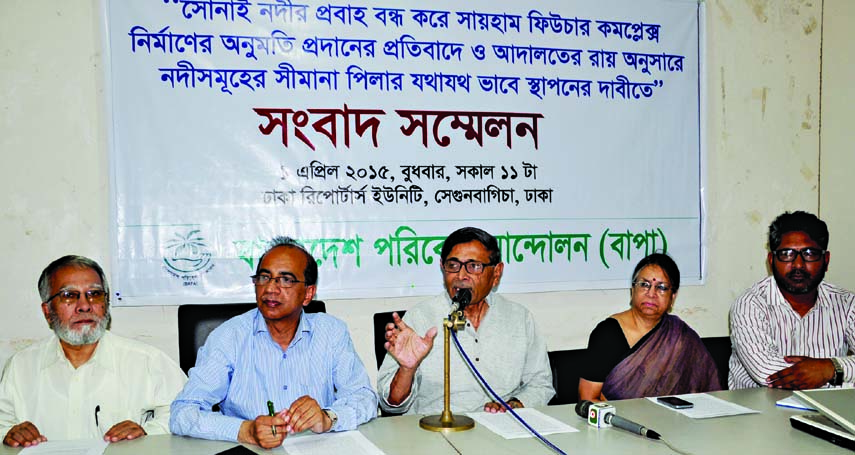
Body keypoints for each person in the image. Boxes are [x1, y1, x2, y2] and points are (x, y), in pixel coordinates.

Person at [170, 237, 377, 449]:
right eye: (264, 277)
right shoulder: (229, 337)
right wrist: (245, 430)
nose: (270, 288)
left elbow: (363, 397)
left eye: (285, 280)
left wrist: (328, 417)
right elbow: (183, 413)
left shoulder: (331, 332)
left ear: (308, 294)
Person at [0, 255, 187, 448]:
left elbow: (188, 415)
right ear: (47, 311)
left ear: (106, 304)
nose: (84, 306)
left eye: (94, 294)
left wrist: (147, 433)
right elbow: (2, 424)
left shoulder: (147, 361)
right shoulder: (21, 366)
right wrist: (9, 434)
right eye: (69, 296)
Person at [378, 227, 554, 415]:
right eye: (453, 266)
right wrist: (407, 369)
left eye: (474, 266)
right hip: (436, 433)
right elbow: (391, 403)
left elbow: (540, 384)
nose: (461, 276)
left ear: (496, 273)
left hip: (502, 430)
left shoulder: (519, 318)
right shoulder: (420, 317)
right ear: (442, 267)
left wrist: (515, 405)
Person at [729, 211, 854, 390]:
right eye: (787, 254)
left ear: (826, 261)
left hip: (829, 414)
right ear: (771, 261)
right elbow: (771, 376)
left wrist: (829, 368)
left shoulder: (847, 304)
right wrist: (835, 374)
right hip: (760, 414)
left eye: (809, 253)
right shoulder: (750, 305)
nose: (798, 264)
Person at [578, 253, 720, 401]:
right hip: (618, 422)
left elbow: (708, 393)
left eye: (662, 288)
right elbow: (587, 399)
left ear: (672, 297)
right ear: (632, 290)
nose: (651, 294)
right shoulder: (607, 334)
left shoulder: (680, 338)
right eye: (644, 285)